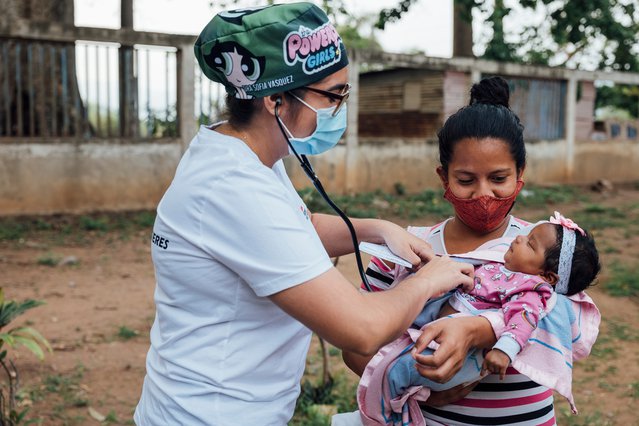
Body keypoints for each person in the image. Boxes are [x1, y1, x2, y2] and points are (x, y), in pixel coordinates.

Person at [133, 4, 475, 425]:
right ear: (275, 100)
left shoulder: (242, 155)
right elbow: (360, 329)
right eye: (333, 96)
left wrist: (375, 230)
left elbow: (296, 224)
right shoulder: (235, 188)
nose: (340, 109)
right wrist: (427, 281)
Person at [341, 76, 601, 426]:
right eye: (465, 180)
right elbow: (356, 342)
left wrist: (480, 329)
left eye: (498, 179)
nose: (483, 195)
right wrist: (425, 385)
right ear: (443, 177)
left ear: (520, 174)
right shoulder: (406, 250)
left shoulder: (545, 249)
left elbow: (569, 321)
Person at [359, 213, 600, 425]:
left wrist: (503, 350)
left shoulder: (532, 289)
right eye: (526, 236)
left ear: (547, 276)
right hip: (434, 337)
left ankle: (382, 419)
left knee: (395, 373)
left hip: (460, 358)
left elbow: (524, 319)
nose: (519, 239)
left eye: (530, 244)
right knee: (391, 371)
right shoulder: (500, 264)